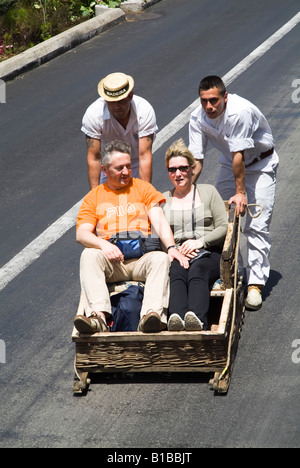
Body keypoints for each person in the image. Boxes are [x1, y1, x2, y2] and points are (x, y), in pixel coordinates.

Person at [74, 140, 188, 335]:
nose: (126, 172)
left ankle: (150, 317)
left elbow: (159, 220)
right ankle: (99, 318)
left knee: (160, 258)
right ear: (104, 169)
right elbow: (82, 234)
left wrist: (171, 247)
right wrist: (103, 245)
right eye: (119, 168)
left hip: (141, 259)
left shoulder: (142, 188)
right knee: (88, 256)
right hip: (113, 262)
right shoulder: (94, 197)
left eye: (128, 166)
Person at [189, 75, 279, 310]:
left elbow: (239, 154)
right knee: (219, 220)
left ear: (225, 97)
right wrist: (185, 189)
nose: (209, 106)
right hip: (231, 165)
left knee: (255, 224)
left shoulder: (239, 112)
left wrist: (240, 194)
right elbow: (196, 160)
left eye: (214, 100)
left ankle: (255, 284)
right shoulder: (197, 117)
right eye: (204, 101)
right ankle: (232, 272)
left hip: (260, 165)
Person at [162, 139, 228, 331]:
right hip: (178, 254)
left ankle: (198, 321)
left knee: (198, 271)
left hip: (208, 252)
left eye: (182, 168)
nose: (178, 174)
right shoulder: (163, 199)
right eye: (172, 170)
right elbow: (159, 232)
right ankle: (177, 321)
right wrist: (173, 250)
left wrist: (200, 242)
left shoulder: (208, 192)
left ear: (192, 169)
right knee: (176, 273)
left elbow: (224, 226)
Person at [81, 72, 157, 188]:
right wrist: (94, 197)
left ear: (130, 96)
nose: (117, 106)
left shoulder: (144, 111)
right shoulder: (93, 115)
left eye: (121, 101)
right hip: (110, 166)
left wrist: (145, 195)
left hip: (136, 163)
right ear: (105, 99)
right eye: (111, 102)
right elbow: (94, 158)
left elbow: (144, 156)